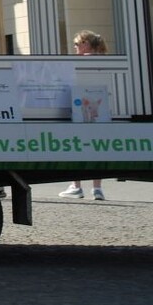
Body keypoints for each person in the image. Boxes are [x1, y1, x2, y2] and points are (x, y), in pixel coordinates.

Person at [60, 31, 109, 200]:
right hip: (100, 107)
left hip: (81, 105)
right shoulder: (104, 60)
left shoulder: (80, 61)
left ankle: (76, 185)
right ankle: (97, 188)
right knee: (97, 148)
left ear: (86, 43)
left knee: (76, 147)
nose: (75, 48)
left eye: (77, 44)